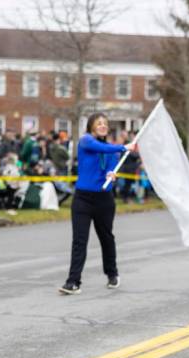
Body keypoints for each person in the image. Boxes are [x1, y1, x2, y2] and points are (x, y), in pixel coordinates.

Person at [60, 113, 136, 295]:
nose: (102, 126)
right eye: (98, 123)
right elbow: (98, 147)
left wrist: (111, 175)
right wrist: (124, 146)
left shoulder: (111, 150)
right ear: (91, 126)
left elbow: (111, 166)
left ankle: (112, 273)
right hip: (82, 199)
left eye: (105, 123)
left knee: (106, 237)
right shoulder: (86, 141)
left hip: (103, 199)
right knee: (79, 240)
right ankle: (73, 282)